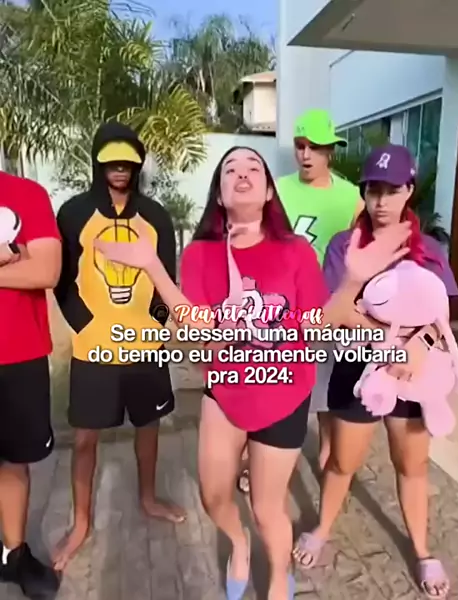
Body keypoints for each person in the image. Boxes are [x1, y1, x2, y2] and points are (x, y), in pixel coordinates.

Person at [93, 144, 413, 600]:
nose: (242, 173)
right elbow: (197, 326)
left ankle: (278, 576)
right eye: (230, 169)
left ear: (267, 192)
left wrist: (352, 282)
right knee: (213, 497)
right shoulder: (200, 254)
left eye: (253, 168)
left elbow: (316, 324)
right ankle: (238, 544)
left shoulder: (295, 251)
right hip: (226, 390)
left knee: (266, 508)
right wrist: (151, 267)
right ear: (219, 194)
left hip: (284, 391)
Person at [292, 144, 458, 600]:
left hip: (412, 375)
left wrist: (419, 347)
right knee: (343, 462)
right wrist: (388, 340)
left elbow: (440, 315)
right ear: (363, 194)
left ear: (409, 191)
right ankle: (323, 527)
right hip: (356, 366)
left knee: (412, 465)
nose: (381, 201)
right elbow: (337, 310)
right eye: (372, 191)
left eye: (391, 190)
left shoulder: (428, 250)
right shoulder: (344, 246)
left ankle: (421, 549)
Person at [52, 122, 185, 571]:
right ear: (98, 162)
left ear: (137, 165)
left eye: (128, 162)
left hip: (145, 347)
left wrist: (155, 324)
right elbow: (62, 281)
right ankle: (81, 523)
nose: (120, 169)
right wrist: (85, 325)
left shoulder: (156, 216)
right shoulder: (74, 213)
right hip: (94, 349)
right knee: (84, 439)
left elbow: (167, 279)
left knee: (149, 425)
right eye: (112, 162)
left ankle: (148, 498)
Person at [237, 110, 363, 493]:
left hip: (327, 314)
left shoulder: (352, 198)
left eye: (316, 147)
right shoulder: (277, 190)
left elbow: (361, 252)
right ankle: (255, 464)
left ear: (331, 151)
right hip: (279, 313)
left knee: (324, 398)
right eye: (300, 146)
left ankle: (329, 466)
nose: (306, 155)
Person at [0, 172, 61, 598]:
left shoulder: (25, 194)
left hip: (18, 353)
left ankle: (15, 555)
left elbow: (46, 269)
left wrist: (22, 262)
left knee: (13, 461)